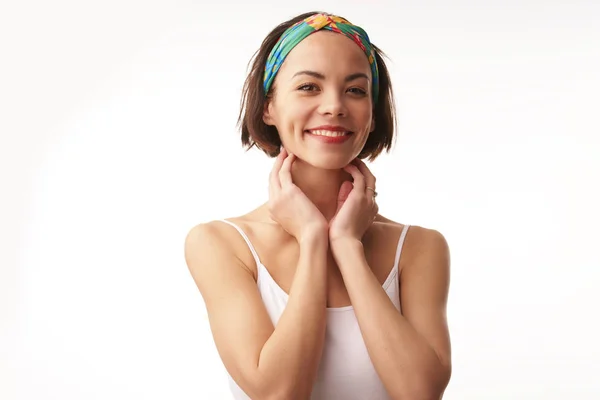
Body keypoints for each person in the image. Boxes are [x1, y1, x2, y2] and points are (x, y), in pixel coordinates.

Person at [185, 11, 452, 400]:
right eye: (309, 87)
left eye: (356, 90)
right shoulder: (220, 244)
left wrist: (347, 247)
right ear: (268, 107)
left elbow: (419, 393)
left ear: (373, 113)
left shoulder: (419, 248)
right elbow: (279, 394)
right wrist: (312, 238)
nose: (334, 106)